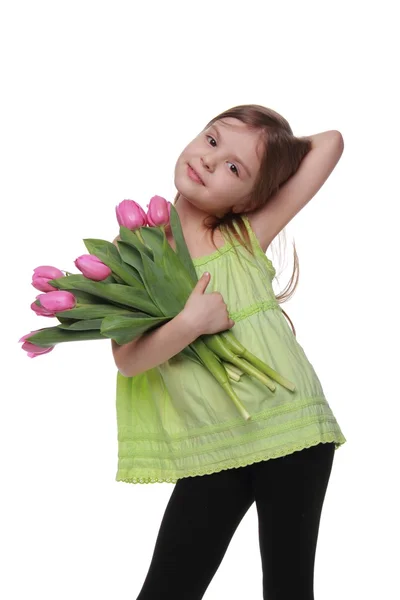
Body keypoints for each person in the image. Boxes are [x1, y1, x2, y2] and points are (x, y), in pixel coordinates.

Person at [111, 104, 347, 600]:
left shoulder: (243, 235)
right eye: (212, 141)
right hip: (215, 442)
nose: (210, 161)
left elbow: (330, 142)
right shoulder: (136, 248)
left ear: (249, 199)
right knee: (168, 588)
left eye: (235, 169)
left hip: (291, 428)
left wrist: (274, 157)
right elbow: (128, 358)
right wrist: (189, 323)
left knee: (287, 587)